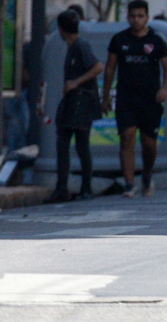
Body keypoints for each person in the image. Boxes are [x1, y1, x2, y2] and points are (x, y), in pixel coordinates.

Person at [101, 0, 167, 197]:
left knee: (149, 144)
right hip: (126, 97)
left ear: (147, 17)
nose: (136, 20)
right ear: (128, 17)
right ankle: (129, 183)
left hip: (150, 99)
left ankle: (147, 173)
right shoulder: (119, 40)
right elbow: (109, 68)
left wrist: (165, 88)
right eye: (132, 16)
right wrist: (105, 96)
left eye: (140, 16)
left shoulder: (157, 40)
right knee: (127, 137)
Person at [49, 11, 103, 202]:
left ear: (61, 30)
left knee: (78, 145)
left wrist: (75, 82)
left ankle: (83, 188)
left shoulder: (81, 46)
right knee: (66, 144)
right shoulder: (74, 47)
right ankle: (64, 187)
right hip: (74, 102)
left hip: (80, 103)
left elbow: (98, 67)